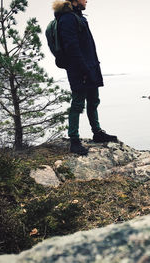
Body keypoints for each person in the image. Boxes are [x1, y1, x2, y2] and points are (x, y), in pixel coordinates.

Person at [52, 0, 117, 155]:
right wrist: (84, 69)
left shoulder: (78, 17)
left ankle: (97, 132)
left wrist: (91, 67)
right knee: (78, 103)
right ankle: (74, 140)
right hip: (79, 69)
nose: (87, 0)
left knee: (94, 100)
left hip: (89, 67)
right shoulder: (67, 19)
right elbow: (71, 47)